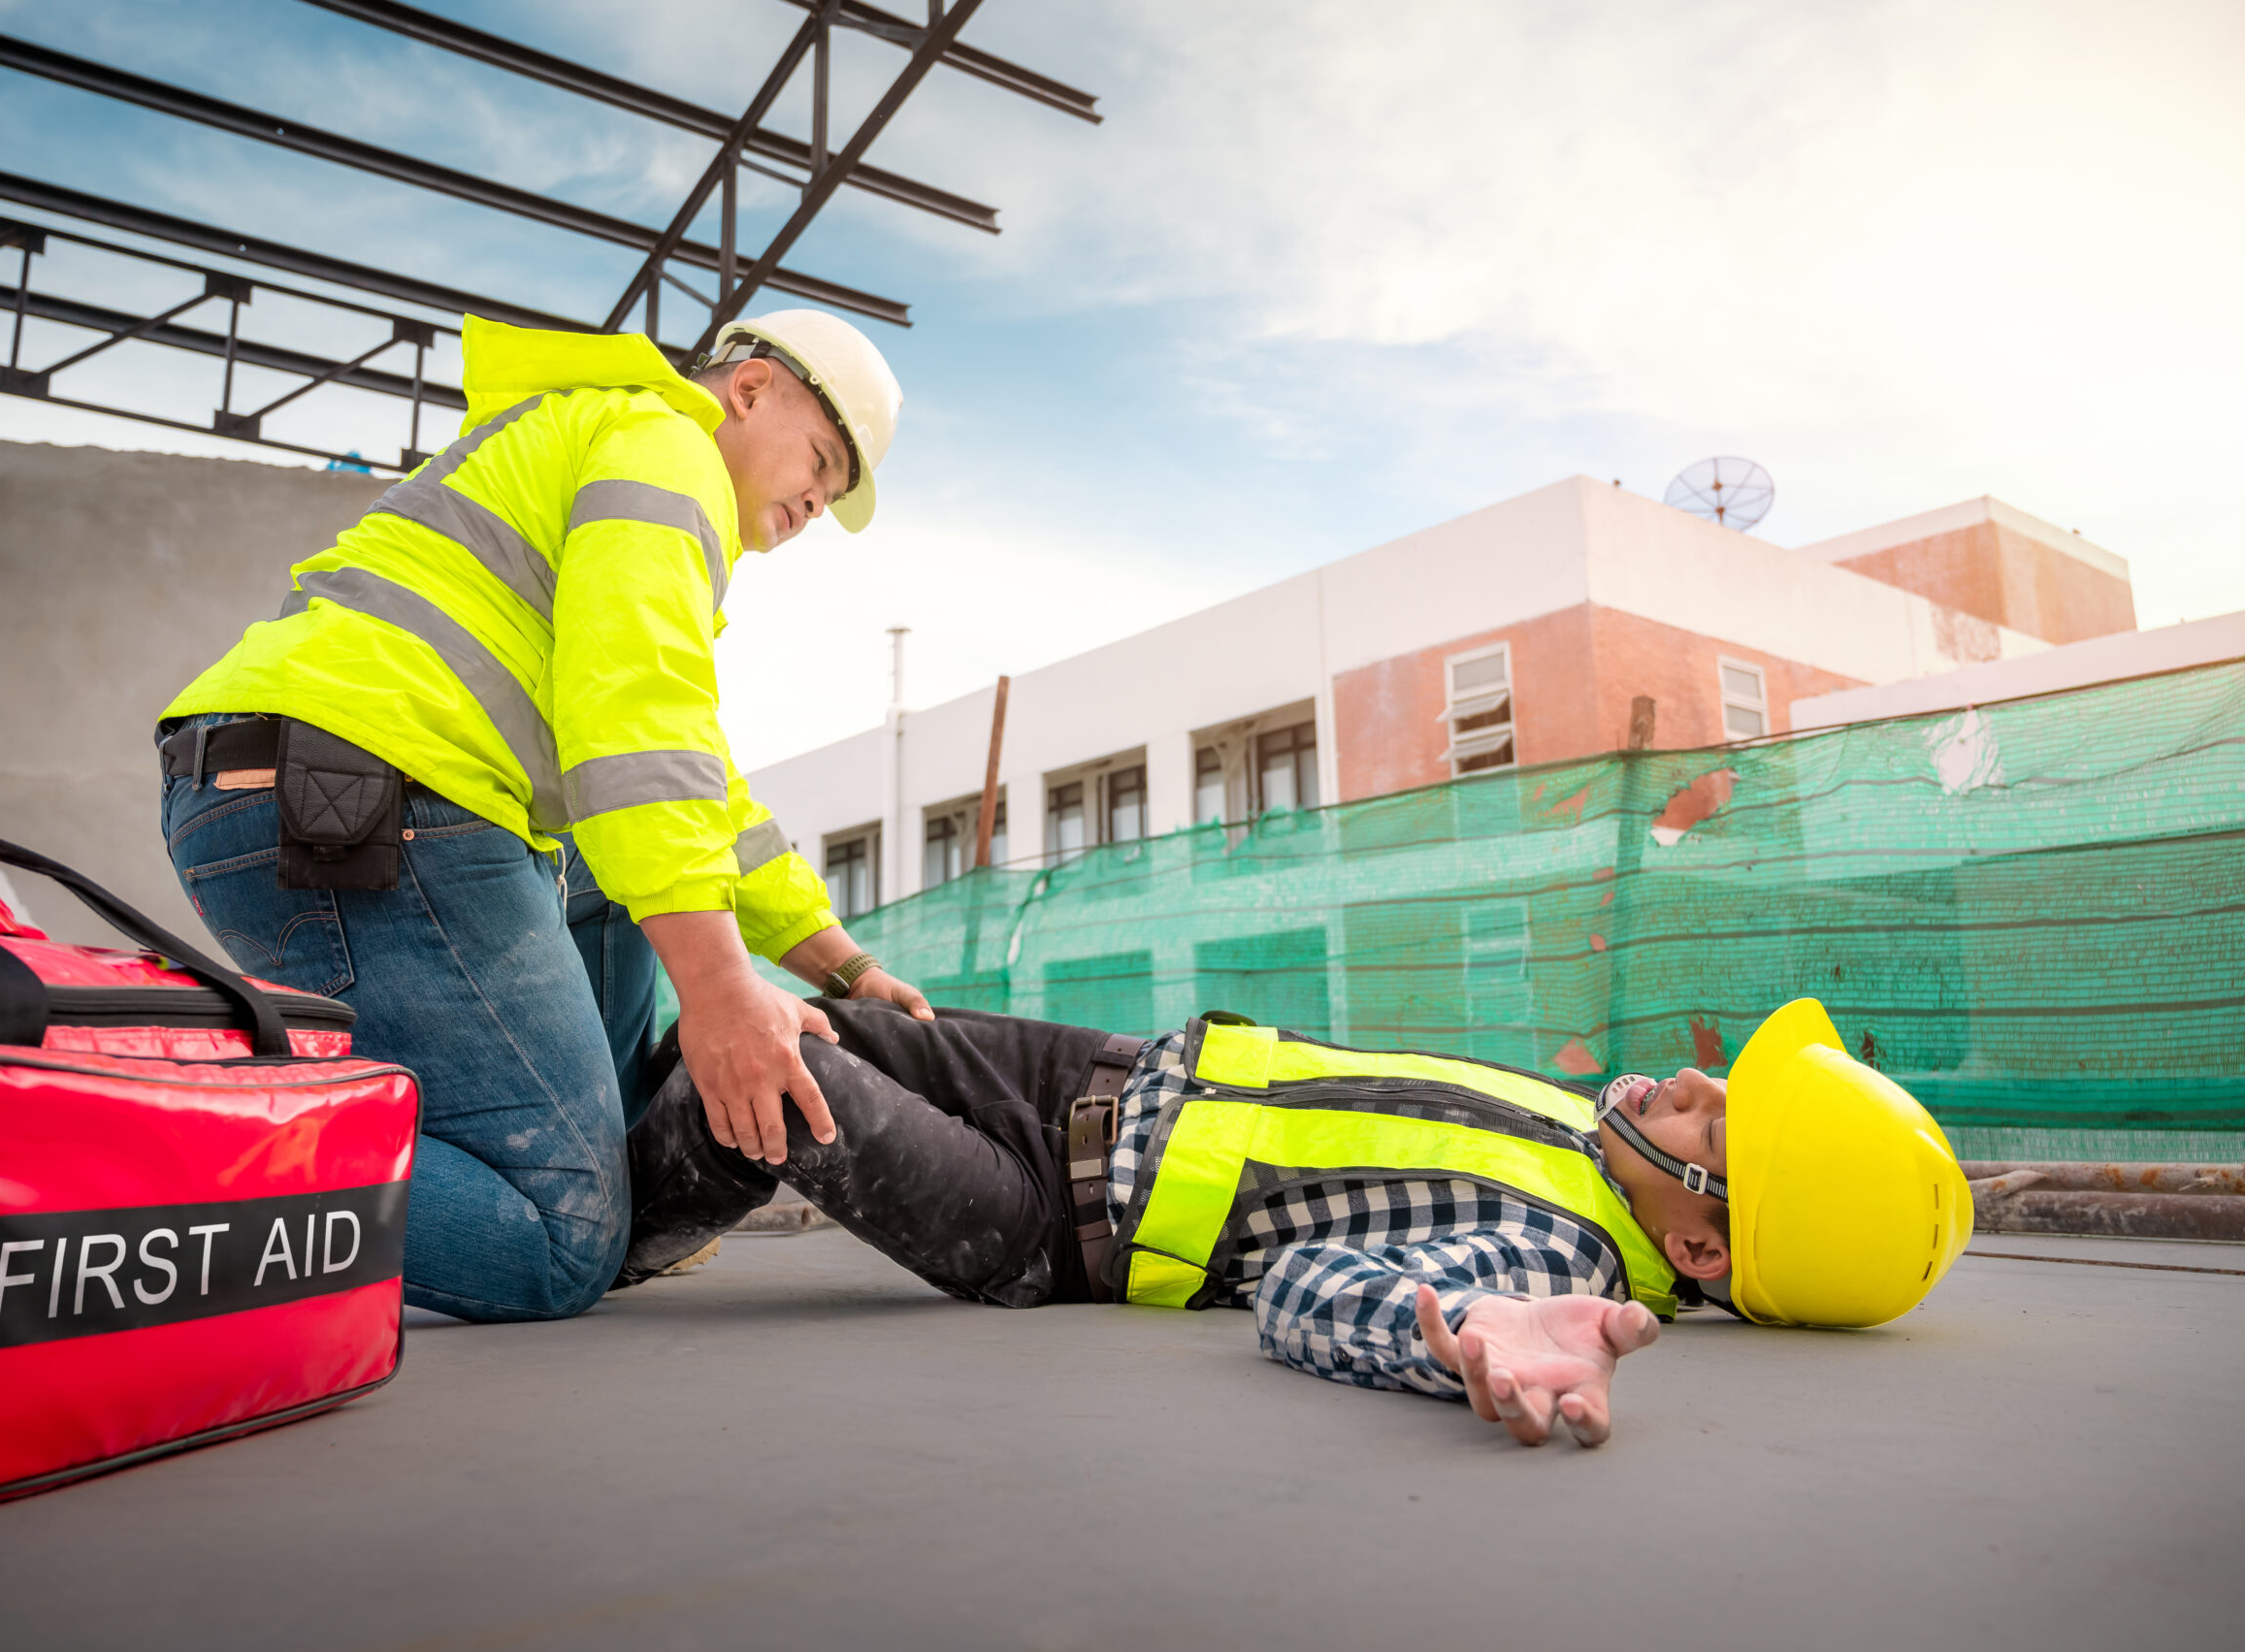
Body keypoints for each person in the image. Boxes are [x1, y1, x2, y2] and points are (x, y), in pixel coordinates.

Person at [155, 311, 934, 1323]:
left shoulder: (613, 447)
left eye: (831, 497)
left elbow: (694, 785)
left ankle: (593, 1161)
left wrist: (841, 965)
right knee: (555, 1240)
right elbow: (635, 727)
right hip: (358, 801)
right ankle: (146, 1141)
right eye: (819, 463)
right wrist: (718, 989)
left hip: (302, 787)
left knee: (618, 876)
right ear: (747, 391)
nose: (813, 503)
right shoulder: (666, 446)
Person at [619, 996, 1975, 1445]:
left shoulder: (1561, 1249)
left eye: (1716, 1126)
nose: (1695, 1081)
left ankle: (583, 1228)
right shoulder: (1583, 1135)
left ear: (1696, 1247)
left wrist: (1465, 1329)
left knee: (770, 1081)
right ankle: (614, 1133)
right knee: (772, 1015)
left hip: (1051, 1217)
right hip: (1088, 1074)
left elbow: (1313, 1283)